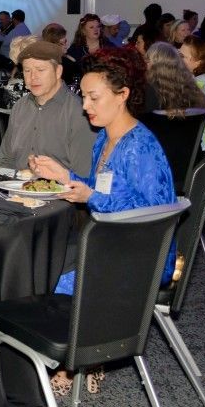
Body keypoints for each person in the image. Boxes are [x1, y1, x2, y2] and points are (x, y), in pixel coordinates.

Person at [27, 54, 176, 295]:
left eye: (94, 98)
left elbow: (154, 215)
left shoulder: (140, 147)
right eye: (84, 97)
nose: (85, 106)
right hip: (109, 241)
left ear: (123, 95)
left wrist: (91, 197)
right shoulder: (104, 138)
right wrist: (66, 177)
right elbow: (101, 190)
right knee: (39, 260)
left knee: (43, 278)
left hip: (141, 258)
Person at [0, 40, 96, 178]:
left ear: (58, 71)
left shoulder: (79, 112)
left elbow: (82, 174)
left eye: (40, 70)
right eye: (27, 71)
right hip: (15, 191)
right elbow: (6, 160)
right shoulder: (20, 107)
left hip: (60, 195)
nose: (33, 77)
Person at [143, 42, 205, 113]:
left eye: (148, 61)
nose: (145, 65)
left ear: (156, 66)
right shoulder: (191, 88)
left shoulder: (150, 90)